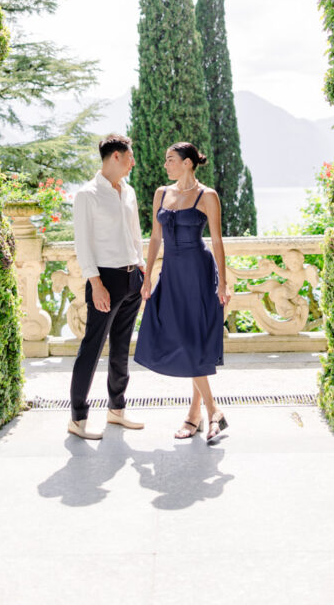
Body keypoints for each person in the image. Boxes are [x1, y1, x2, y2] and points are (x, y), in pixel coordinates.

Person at [134, 142, 231, 442]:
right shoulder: (162, 193)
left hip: (198, 273)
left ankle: (198, 415)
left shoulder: (207, 196)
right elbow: (154, 237)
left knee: (193, 341)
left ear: (188, 163)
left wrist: (224, 283)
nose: (166, 164)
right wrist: (148, 275)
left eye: (171, 159)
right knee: (180, 337)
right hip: (171, 274)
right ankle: (210, 412)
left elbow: (216, 242)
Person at [68, 134, 145, 440]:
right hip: (105, 280)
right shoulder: (88, 195)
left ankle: (117, 410)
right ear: (115, 156)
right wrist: (96, 283)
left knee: (122, 348)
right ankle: (77, 418)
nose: (133, 162)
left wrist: (142, 270)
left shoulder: (128, 192)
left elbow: (135, 234)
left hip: (131, 279)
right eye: (130, 157)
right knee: (92, 347)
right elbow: (83, 243)